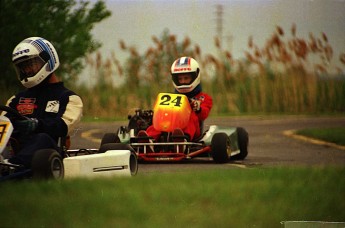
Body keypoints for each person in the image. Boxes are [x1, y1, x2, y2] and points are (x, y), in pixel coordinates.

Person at [1, 37, 83, 168]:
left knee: (42, 138)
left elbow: (63, 126)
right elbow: (3, 125)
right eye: (22, 67)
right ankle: (8, 164)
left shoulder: (69, 98)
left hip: (47, 157)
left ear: (47, 59)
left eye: (31, 64)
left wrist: (36, 124)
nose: (27, 70)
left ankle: (12, 166)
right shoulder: (15, 99)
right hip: (15, 149)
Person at [138, 56, 213, 151]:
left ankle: (182, 140)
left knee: (189, 115)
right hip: (170, 126)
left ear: (195, 76)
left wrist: (197, 108)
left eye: (186, 78)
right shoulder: (172, 97)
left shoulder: (203, 98)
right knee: (160, 119)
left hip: (193, 130)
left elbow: (204, 114)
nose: (183, 82)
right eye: (180, 79)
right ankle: (149, 140)